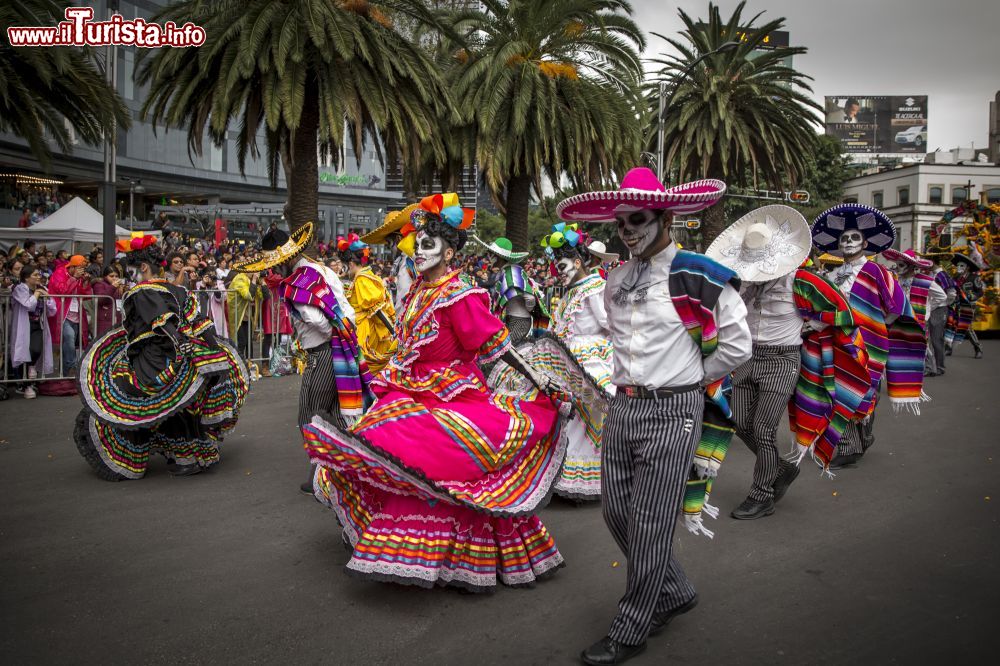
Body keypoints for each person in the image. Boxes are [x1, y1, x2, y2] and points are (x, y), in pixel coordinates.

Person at [303, 193, 569, 593]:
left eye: (429, 245)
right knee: (378, 447)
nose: (419, 252)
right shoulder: (416, 292)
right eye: (416, 244)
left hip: (452, 395)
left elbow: (497, 346)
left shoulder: (460, 294)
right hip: (411, 390)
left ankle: (454, 556)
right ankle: (403, 545)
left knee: (429, 460)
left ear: (449, 250)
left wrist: (539, 380)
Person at [558, 167, 750, 664]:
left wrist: (688, 375)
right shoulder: (614, 278)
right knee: (616, 511)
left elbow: (737, 344)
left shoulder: (697, 272)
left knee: (648, 523)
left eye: (636, 219)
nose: (626, 231)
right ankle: (676, 590)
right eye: (619, 223)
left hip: (673, 408)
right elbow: (618, 343)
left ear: (664, 217)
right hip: (622, 406)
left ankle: (632, 625)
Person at [706, 205, 868, 515]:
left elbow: (844, 312)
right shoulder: (742, 281)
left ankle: (762, 494)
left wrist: (812, 323)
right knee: (739, 422)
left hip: (782, 360)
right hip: (745, 357)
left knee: (765, 429)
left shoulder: (803, 280)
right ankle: (780, 468)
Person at [73, 237, 249, 480]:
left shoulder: (143, 290)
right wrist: (214, 351)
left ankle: (185, 459)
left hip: (157, 359)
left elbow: (162, 319)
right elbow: (199, 321)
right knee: (183, 406)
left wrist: (179, 343)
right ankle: (191, 456)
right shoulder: (176, 289)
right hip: (184, 356)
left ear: (143, 267)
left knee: (160, 406)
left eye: (132, 271)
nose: (130, 276)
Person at [230, 223, 363, 493]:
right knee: (334, 413)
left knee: (311, 416)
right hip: (338, 348)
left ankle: (328, 475)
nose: (272, 270)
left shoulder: (299, 280)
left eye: (275, 264)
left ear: (286, 259)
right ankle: (339, 470)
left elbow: (318, 320)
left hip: (324, 352)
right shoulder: (320, 269)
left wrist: (330, 334)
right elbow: (346, 309)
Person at [811, 204, 924, 469]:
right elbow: (825, 307)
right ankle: (854, 441)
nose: (848, 242)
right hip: (838, 342)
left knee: (865, 390)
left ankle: (856, 441)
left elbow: (897, 306)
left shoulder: (878, 272)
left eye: (854, 238)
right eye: (844, 238)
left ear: (865, 243)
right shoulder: (831, 275)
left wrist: (876, 326)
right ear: (838, 244)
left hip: (869, 342)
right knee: (840, 391)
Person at [537, 223, 614, 501]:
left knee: (585, 416)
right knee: (566, 416)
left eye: (562, 265)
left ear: (579, 261)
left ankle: (586, 482)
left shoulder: (594, 287)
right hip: (565, 359)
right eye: (556, 267)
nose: (558, 272)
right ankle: (564, 476)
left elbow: (609, 323)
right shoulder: (569, 292)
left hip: (590, 361)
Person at [337, 233, 397, 374]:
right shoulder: (365, 276)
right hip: (363, 329)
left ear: (350, 264)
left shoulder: (362, 279)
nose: (343, 270)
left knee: (366, 372)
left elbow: (377, 310)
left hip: (367, 333)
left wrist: (394, 332)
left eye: (344, 266)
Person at [476, 236, 549, 346]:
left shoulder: (512, 272)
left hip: (520, 320)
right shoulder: (504, 272)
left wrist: (529, 311)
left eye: (492, 256)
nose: (490, 259)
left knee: (509, 351)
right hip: (512, 318)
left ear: (499, 257)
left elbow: (529, 297)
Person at [9, 265, 57, 398]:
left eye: (39, 275)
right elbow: (29, 305)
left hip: (38, 324)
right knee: (22, 354)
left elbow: (53, 310)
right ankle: (27, 386)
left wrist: (47, 299)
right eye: (35, 275)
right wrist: (36, 294)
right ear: (26, 277)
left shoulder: (42, 289)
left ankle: (31, 368)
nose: (38, 277)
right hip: (24, 325)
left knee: (35, 350)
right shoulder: (20, 289)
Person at [361, 204, 419, 312]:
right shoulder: (404, 260)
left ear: (397, 239)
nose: (389, 249)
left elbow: (403, 302)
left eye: (389, 244)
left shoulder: (409, 262)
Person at [47, 254, 93, 376]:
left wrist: (85, 282)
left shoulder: (78, 276)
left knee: (69, 344)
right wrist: (74, 278)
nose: (81, 271)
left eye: (83, 268)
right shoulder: (59, 273)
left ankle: (65, 374)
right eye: (79, 268)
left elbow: (86, 295)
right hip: (62, 314)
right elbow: (62, 290)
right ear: (72, 267)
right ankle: (73, 368)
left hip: (76, 313)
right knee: (69, 337)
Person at [945, 253, 986, 359]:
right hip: (955, 304)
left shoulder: (974, 278)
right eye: (958, 265)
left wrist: (973, 296)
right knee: (951, 325)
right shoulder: (955, 278)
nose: (959, 268)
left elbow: (980, 292)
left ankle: (978, 348)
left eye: (962, 266)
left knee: (967, 327)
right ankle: (948, 348)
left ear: (967, 267)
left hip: (968, 305)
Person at [91, 265, 124, 337]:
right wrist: (113, 287)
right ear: (105, 276)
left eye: (116, 276)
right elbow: (101, 300)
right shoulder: (99, 284)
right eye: (111, 276)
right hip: (105, 320)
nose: (114, 278)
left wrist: (124, 291)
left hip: (117, 319)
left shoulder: (119, 286)